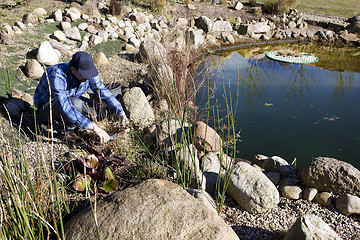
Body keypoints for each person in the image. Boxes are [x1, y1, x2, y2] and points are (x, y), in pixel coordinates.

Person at [34, 51, 129, 143]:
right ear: (73, 69)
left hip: (72, 99)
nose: (88, 77)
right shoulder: (57, 74)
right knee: (76, 104)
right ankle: (65, 131)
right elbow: (66, 107)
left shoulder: (87, 72)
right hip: (48, 106)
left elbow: (103, 91)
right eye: (84, 75)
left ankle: (79, 122)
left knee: (100, 112)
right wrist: (95, 129)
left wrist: (121, 113)